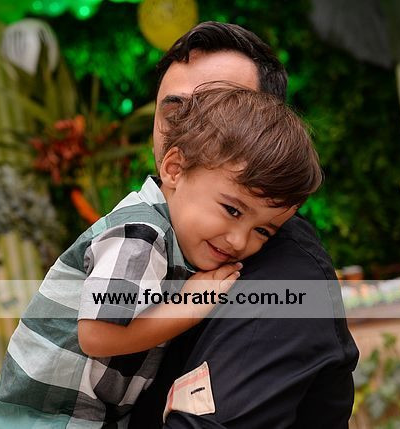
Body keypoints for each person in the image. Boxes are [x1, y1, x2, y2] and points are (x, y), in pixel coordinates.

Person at [0, 85, 322, 428]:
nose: (239, 241)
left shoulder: (173, 236)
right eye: (232, 210)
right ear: (174, 169)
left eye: (263, 231)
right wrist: (189, 308)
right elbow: (95, 335)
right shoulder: (141, 235)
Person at [128, 22, 359, 428]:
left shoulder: (285, 281)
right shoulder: (142, 239)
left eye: (220, 110)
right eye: (174, 112)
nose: (187, 131)